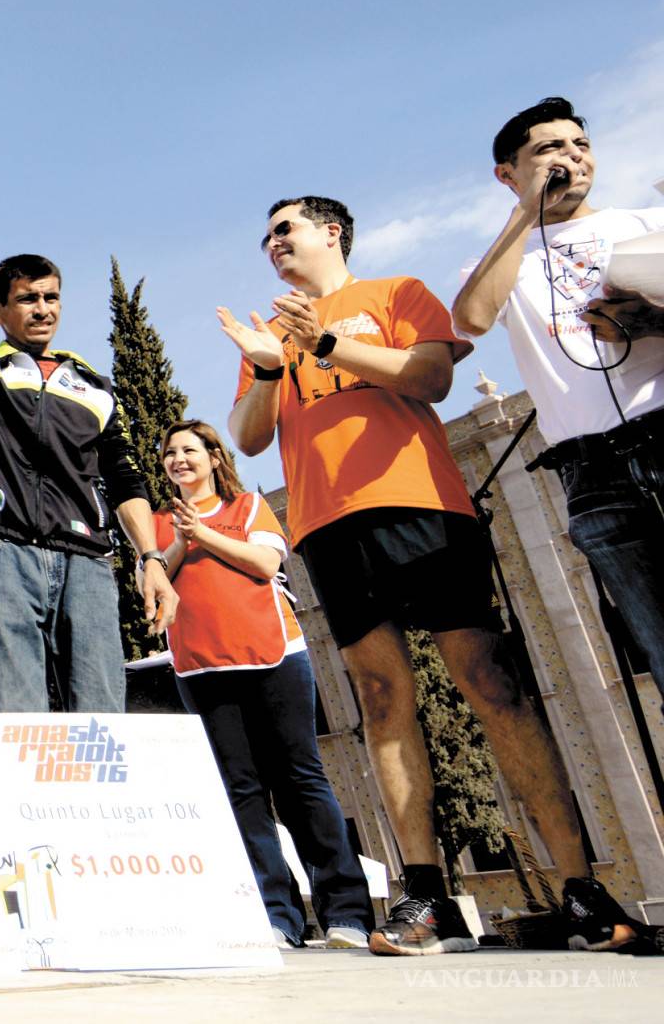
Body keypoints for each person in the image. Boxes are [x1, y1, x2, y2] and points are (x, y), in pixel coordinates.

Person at [221, 195, 641, 954]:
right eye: (266, 236)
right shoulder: (274, 335)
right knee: (382, 699)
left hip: (421, 506)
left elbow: (431, 377)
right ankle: (427, 898)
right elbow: (249, 438)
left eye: (285, 228)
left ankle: (581, 889)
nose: (272, 242)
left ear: (331, 232)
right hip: (327, 526)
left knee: (489, 681)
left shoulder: (397, 293)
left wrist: (327, 343)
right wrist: (269, 366)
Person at [0, 165, 177, 714]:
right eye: (28, 298)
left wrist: (151, 558)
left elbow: (125, 480)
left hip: (86, 560)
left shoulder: (95, 387)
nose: (43, 308)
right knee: (15, 721)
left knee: (103, 720)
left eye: (51, 297)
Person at [453, 97, 664, 688]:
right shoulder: (502, 260)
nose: (572, 157)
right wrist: (527, 212)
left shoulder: (647, 226)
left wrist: (651, 322)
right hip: (591, 469)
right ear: (508, 173)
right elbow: (471, 318)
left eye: (581, 145)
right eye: (550, 149)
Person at [151, 419, 372, 950]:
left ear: (213, 457)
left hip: (274, 656)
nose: (178, 459)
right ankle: (277, 916)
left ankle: (346, 912)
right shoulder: (157, 525)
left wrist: (202, 534)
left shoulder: (248, 506)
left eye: (189, 449)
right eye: (169, 453)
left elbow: (265, 562)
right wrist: (178, 540)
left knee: (301, 781)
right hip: (202, 667)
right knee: (243, 791)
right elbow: (152, 579)